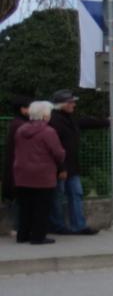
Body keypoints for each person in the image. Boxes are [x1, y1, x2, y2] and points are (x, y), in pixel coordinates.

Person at [48, 90, 109, 236]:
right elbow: (54, 148)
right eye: (71, 102)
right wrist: (61, 168)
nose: (74, 105)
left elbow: (84, 122)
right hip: (60, 167)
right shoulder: (54, 121)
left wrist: (106, 122)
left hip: (72, 166)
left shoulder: (70, 118)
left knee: (76, 194)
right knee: (57, 197)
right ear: (61, 104)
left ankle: (79, 226)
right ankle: (58, 226)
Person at [14, 101, 65, 245]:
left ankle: (22, 235)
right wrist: (62, 157)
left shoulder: (20, 129)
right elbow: (58, 153)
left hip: (22, 173)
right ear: (44, 115)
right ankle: (38, 236)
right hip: (43, 174)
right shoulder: (48, 132)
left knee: (25, 207)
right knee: (42, 207)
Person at [3, 96, 32, 237]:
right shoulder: (21, 125)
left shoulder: (16, 123)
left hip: (16, 166)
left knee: (19, 198)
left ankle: (20, 227)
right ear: (22, 109)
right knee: (19, 199)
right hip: (19, 167)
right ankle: (18, 227)